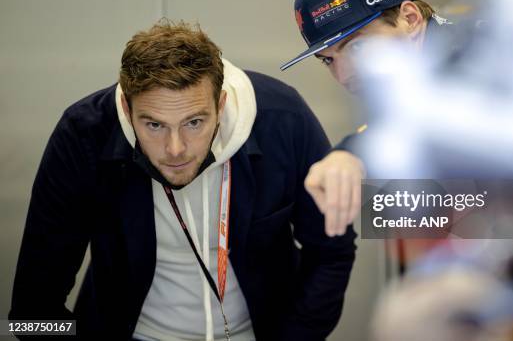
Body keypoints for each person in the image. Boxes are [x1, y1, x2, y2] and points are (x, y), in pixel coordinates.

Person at [10, 20, 356, 341]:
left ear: (221, 106)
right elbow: (33, 302)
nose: (175, 149)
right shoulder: (84, 133)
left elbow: (332, 250)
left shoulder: (283, 119)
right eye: (154, 125)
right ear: (127, 112)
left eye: (194, 122)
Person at [280, 0, 455, 237]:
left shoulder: (478, 61)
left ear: (410, 19)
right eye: (328, 60)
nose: (344, 75)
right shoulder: (406, 81)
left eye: (357, 47)